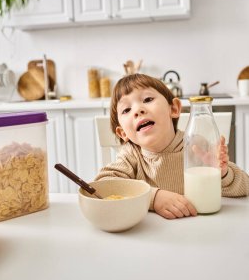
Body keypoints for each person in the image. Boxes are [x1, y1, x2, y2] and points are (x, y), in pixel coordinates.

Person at [95, 74, 249, 219]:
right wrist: (153, 198)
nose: (138, 110)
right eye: (127, 110)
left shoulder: (195, 145)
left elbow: (245, 187)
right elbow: (102, 186)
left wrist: (222, 174)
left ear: (174, 108)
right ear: (123, 133)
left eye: (147, 99)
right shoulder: (130, 155)